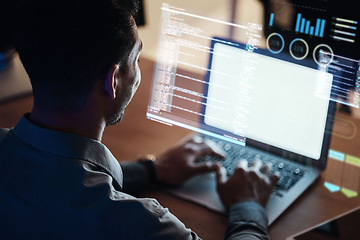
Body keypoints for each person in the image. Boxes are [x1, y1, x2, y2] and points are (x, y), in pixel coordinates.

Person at [0, 0, 279, 239]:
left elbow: (54, 181)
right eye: (136, 57)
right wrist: (248, 208)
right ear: (113, 80)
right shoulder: (144, 226)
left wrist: (151, 171)